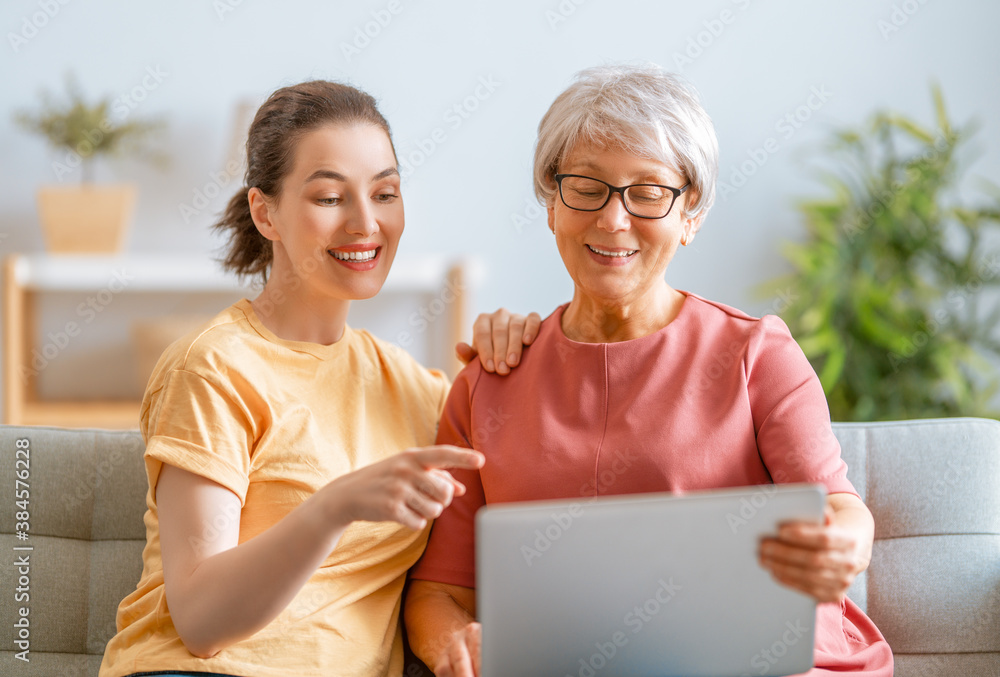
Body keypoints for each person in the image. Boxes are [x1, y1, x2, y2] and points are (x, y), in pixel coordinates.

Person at [404, 64, 894, 676]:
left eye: (648, 192)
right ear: (551, 203)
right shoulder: (488, 380)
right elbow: (439, 589)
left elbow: (842, 511)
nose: (613, 220)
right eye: (586, 186)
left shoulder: (756, 355)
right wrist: (453, 645)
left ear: (691, 214)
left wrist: (843, 546)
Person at [98, 80, 538, 677]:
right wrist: (333, 508)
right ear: (265, 212)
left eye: (385, 193)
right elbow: (201, 622)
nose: (365, 223)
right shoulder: (212, 367)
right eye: (330, 197)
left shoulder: (416, 388)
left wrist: (516, 345)